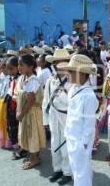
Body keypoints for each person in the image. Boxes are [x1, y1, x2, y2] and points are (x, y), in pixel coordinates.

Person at [58, 54, 98, 186]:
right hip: (72, 136)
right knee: (77, 168)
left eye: (70, 71)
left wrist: (85, 143)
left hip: (81, 140)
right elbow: (71, 111)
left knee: (81, 171)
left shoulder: (88, 95)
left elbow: (89, 124)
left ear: (81, 74)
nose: (67, 74)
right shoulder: (73, 89)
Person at [43, 49, 72, 185]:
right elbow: (46, 100)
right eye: (57, 62)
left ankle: (67, 172)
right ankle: (58, 169)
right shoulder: (50, 80)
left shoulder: (72, 80)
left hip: (66, 116)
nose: (60, 65)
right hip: (53, 115)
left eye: (63, 62)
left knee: (66, 144)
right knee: (55, 142)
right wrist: (45, 120)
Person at [15, 54, 46, 170]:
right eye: (18, 64)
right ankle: (34, 157)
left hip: (31, 112)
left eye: (21, 65)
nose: (19, 67)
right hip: (24, 112)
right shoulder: (22, 78)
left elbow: (31, 100)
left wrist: (21, 114)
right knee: (29, 135)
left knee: (32, 135)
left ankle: (35, 159)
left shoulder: (33, 80)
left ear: (30, 67)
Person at [5, 57, 20, 151]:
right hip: (10, 105)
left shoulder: (21, 79)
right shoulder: (11, 79)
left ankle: (21, 148)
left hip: (17, 106)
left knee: (17, 127)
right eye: (8, 69)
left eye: (12, 68)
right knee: (11, 126)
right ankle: (16, 146)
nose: (10, 71)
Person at [0, 58, 10, 148]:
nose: (2, 69)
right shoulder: (2, 76)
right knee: (1, 120)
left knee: (6, 120)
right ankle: (3, 140)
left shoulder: (10, 77)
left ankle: (8, 141)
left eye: (4, 67)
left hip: (7, 101)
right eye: (1, 67)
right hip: (1, 100)